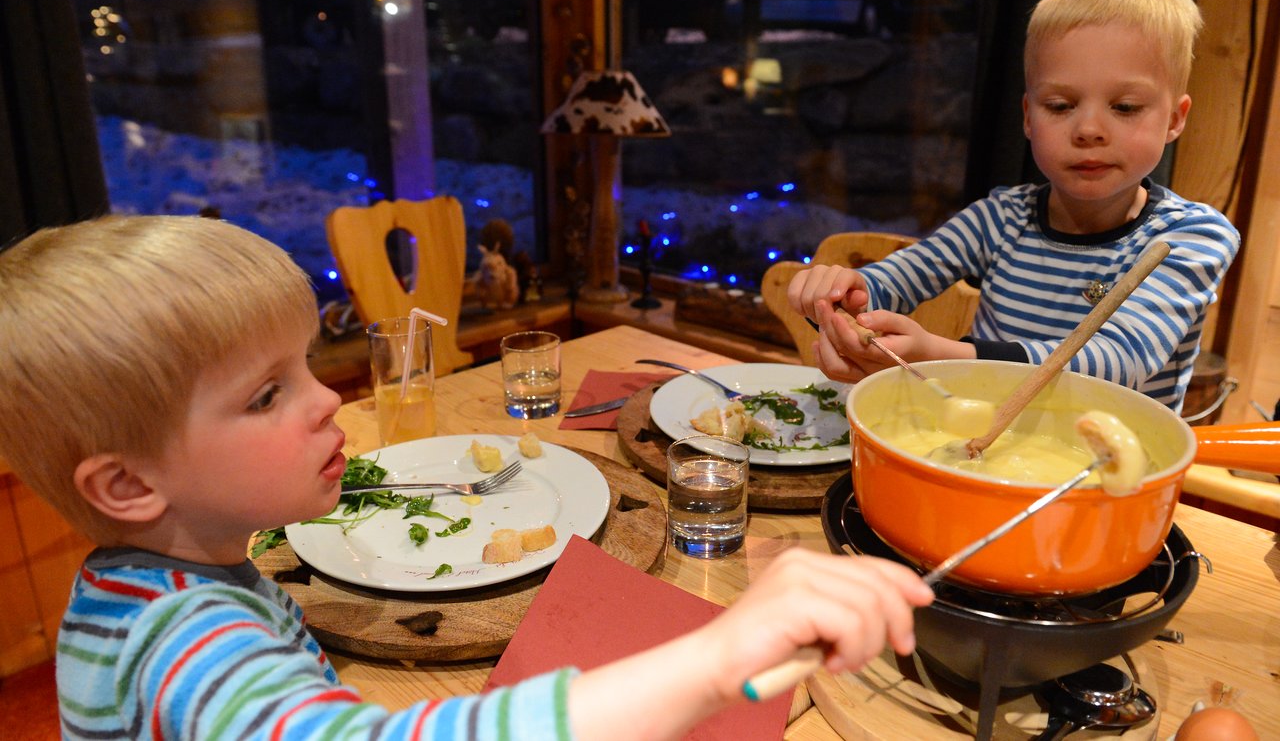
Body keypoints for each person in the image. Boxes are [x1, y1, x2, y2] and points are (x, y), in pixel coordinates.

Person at [0, 214, 933, 741]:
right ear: (126, 488)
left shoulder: (168, 576)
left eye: (303, 371)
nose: (328, 403)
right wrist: (726, 654)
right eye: (263, 397)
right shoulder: (182, 638)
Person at [787, 0, 1240, 412]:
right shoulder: (1002, 217)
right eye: (1060, 105)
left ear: (1175, 119)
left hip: (1111, 476)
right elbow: (900, 278)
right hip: (981, 448)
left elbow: (1120, 362)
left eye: (1124, 106)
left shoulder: (1191, 236)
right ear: (1028, 116)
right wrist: (842, 298)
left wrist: (945, 355)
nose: (1088, 129)